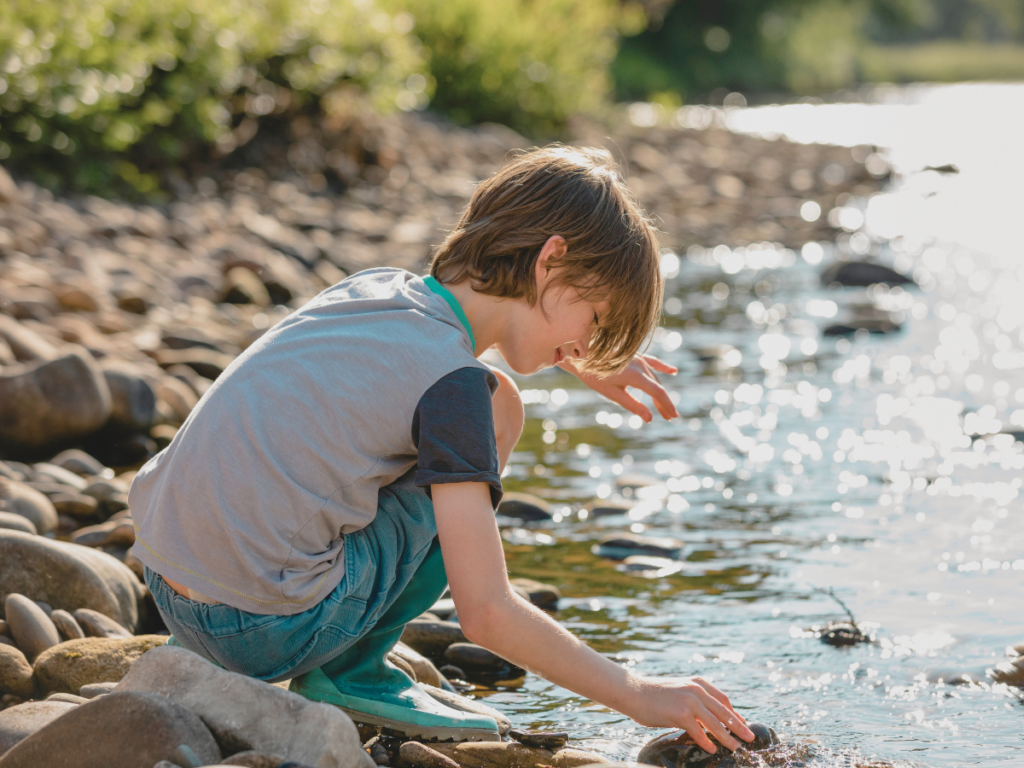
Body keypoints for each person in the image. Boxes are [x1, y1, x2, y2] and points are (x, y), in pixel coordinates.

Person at [128, 145, 754, 753]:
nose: (586, 344)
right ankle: (350, 671)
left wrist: (574, 355)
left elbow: (404, 364)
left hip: (168, 580)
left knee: (499, 396)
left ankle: (260, 639)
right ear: (551, 261)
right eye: (594, 320)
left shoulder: (375, 289)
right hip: (260, 629)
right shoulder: (455, 391)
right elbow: (485, 613)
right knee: (495, 408)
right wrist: (639, 693)